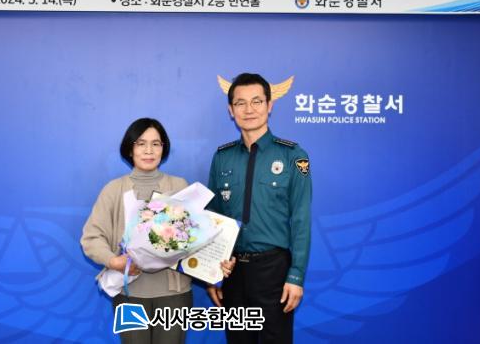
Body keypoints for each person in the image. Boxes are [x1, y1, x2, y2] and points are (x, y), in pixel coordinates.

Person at [206, 73, 312, 344]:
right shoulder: (222, 157)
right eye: (240, 103)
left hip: (273, 271)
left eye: (256, 101)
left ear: (269, 105)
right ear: (231, 110)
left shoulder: (292, 155)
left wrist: (296, 276)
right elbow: (213, 219)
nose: (249, 109)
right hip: (232, 271)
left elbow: (301, 220)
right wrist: (211, 275)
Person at [81, 117, 192, 344]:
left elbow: (196, 235)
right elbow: (91, 238)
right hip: (128, 294)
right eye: (141, 143)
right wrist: (114, 261)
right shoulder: (113, 190)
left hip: (174, 294)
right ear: (130, 149)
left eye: (156, 144)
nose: (149, 150)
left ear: (163, 148)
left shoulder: (179, 187)